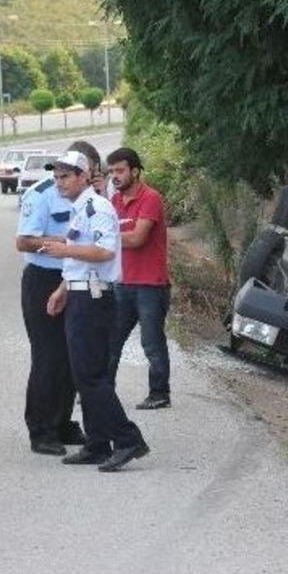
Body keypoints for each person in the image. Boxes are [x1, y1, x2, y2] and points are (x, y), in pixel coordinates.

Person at [43, 151, 149, 472]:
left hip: (93, 298)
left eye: (65, 176)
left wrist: (65, 249)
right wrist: (63, 289)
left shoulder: (96, 207)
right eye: (56, 177)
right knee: (85, 374)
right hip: (80, 293)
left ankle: (127, 439)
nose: (59, 182)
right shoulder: (80, 208)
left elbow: (105, 251)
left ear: (84, 176)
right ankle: (97, 443)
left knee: (90, 376)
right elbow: (79, 260)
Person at [13, 142, 104, 456]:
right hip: (44, 278)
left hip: (75, 278)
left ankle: (62, 422)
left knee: (72, 355)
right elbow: (23, 241)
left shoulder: (91, 198)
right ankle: (41, 429)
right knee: (49, 356)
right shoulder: (42, 194)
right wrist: (66, 243)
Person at [106, 147, 173, 409]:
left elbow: (137, 238)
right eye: (112, 171)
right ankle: (102, 391)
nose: (115, 176)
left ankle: (160, 394)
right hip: (122, 283)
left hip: (150, 286)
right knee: (110, 341)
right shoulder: (114, 201)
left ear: (135, 171)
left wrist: (105, 238)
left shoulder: (150, 198)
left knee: (152, 343)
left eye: (120, 170)